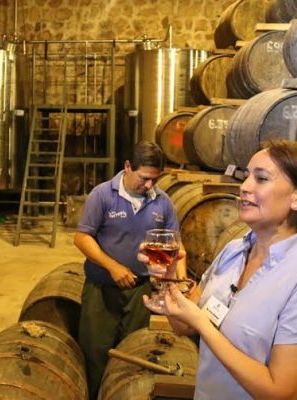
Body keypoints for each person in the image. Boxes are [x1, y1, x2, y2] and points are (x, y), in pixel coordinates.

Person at [143, 140, 297, 399]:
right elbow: (185, 326)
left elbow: (281, 393)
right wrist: (170, 275)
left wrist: (203, 326)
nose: (244, 187)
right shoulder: (235, 251)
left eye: (261, 179)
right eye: (245, 176)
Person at [74, 140, 186, 399]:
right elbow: (82, 238)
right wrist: (113, 267)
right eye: (144, 178)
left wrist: (172, 278)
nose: (149, 186)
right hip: (101, 290)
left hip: (141, 292)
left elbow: (176, 246)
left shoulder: (163, 202)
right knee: (96, 353)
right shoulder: (102, 195)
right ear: (127, 167)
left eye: (154, 180)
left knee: (134, 353)